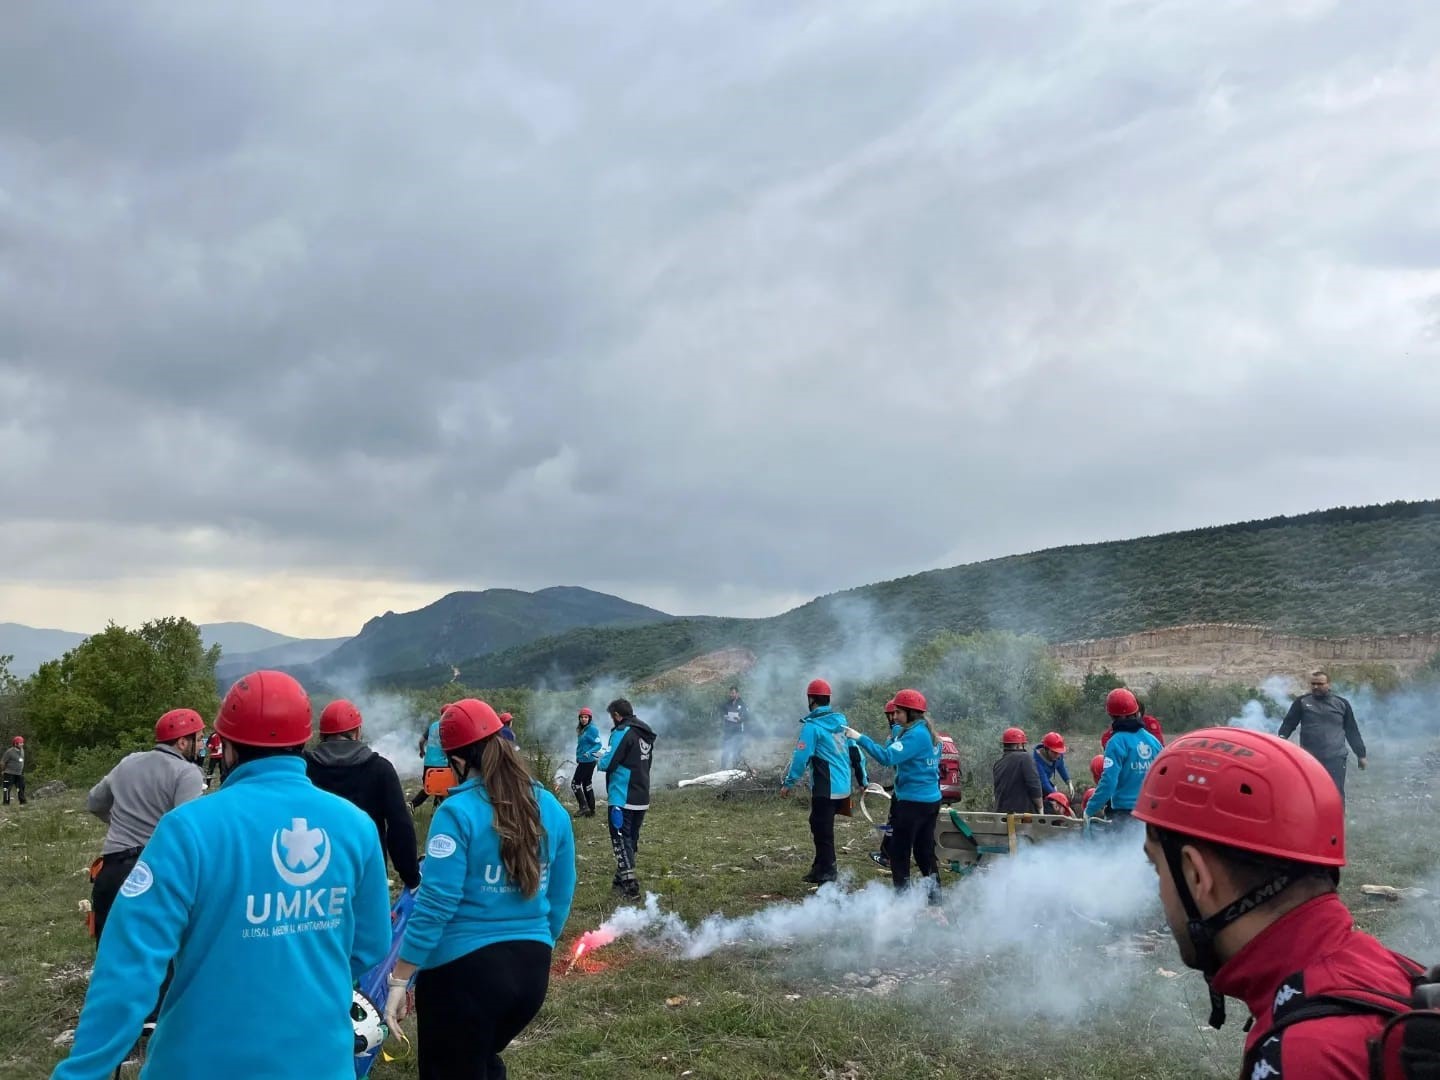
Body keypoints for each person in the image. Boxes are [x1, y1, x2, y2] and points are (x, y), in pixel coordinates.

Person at [52, 670, 392, 1079]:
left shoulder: (187, 829)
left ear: (226, 747)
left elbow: (128, 967)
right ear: (303, 741)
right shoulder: (354, 826)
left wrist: (82, 1071)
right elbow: (370, 945)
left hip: (199, 1063)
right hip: (319, 1061)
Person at [1135, 727, 1423, 1076]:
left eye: (1156, 867)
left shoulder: (1299, 1058)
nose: (1160, 890)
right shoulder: (1398, 973)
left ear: (1196, 875)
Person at [382, 698, 576, 1080]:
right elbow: (561, 893)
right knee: (482, 1059)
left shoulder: (456, 813)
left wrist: (400, 978)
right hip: (531, 974)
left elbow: (436, 904)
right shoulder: (550, 807)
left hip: (465, 979)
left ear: (457, 761)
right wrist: (538, 941)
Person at [86, 708, 205, 942]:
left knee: (110, 954)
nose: (202, 745)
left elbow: (94, 802)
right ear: (183, 742)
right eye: (199, 738)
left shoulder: (128, 762)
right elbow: (188, 828)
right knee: (159, 961)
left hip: (111, 871)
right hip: (153, 870)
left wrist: (118, 823)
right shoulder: (187, 773)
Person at [304, 699, 422, 892]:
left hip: (315, 875)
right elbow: (400, 827)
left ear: (322, 734)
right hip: (368, 875)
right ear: (357, 732)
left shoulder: (305, 768)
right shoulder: (380, 769)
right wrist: (411, 876)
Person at [845, 688, 941, 898]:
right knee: (924, 852)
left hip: (912, 803)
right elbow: (899, 749)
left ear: (910, 712)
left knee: (899, 852)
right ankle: (935, 900)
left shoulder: (916, 736)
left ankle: (903, 903)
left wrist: (860, 738)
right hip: (930, 800)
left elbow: (887, 757)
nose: (894, 716)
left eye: (898, 712)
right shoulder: (926, 732)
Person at [780, 678, 852, 885]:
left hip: (826, 786)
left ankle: (828, 877)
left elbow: (801, 756)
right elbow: (855, 750)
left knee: (823, 831)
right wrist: (862, 778)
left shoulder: (812, 726)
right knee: (818, 823)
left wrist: (789, 783)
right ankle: (818, 868)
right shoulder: (841, 722)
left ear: (811, 699)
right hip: (843, 786)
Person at [1278, 669, 1367, 804]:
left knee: (1335, 793)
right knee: (1309, 792)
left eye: (1320, 684)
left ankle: (1336, 823)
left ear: (1328, 684)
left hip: (1335, 757)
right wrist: (1280, 742)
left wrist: (1361, 754)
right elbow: (1289, 724)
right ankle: (1311, 822)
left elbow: (1351, 730)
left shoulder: (1341, 704)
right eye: (1313, 684)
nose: (1315, 687)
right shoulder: (1302, 702)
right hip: (1309, 757)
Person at [598, 698, 656, 899]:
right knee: (631, 839)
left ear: (616, 715)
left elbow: (609, 762)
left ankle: (631, 889)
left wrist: (600, 758)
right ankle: (619, 880)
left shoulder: (622, 731)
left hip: (622, 797)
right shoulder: (645, 733)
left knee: (620, 840)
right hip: (641, 794)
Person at [1086, 688, 1163, 825]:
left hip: (1124, 814)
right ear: (1136, 711)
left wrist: (1090, 809)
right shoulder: (1153, 742)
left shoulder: (1116, 742)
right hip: (1149, 813)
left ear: (1111, 715)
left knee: (1119, 846)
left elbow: (1108, 782)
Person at [869, 698, 900, 871]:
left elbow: (888, 756)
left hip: (905, 789)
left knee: (893, 821)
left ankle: (887, 855)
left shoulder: (897, 730)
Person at [992, 727, 1043, 814]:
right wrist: (1040, 808)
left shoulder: (998, 764)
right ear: (1018, 745)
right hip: (1022, 817)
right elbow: (1034, 786)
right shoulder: (1025, 758)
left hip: (1001, 815)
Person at [412, 710, 455, 809]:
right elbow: (447, 747)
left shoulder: (433, 726)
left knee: (429, 788)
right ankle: (436, 810)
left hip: (428, 763)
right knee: (441, 788)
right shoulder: (448, 727)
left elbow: (421, 741)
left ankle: (413, 805)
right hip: (442, 764)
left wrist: (422, 751)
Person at [571, 706, 601, 818]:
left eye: (586, 717)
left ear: (590, 718)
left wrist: (589, 752)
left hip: (588, 761)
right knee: (587, 784)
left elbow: (598, 744)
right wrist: (578, 756)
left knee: (575, 784)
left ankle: (583, 807)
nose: (584, 719)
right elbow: (581, 746)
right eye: (582, 717)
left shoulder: (592, 729)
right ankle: (591, 810)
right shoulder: (583, 729)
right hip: (583, 760)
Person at [1033, 732, 1073, 798]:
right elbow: (1044, 782)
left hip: (1045, 781)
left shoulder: (1058, 754)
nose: (1057, 755)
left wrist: (1068, 781)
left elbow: (1061, 766)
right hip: (1037, 784)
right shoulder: (1037, 761)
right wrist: (1057, 796)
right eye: (1054, 752)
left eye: (1059, 753)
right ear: (1046, 749)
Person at [719, 685, 750, 769]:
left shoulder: (742, 704)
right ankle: (722, 768)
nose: (731, 695)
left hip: (738, 730)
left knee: (737, 751)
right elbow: (721, 711)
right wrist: (724, 716)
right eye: (730, 693)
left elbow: (747, 716)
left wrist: (740, 718)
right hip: (728, 730)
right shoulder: (727, 703)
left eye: (733, 693)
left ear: (737, 694)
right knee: (726, 749)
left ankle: (735, 769)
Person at [2, 735, 25, 806]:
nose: (22, 744)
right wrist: (3, 770)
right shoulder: (9, 752)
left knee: (21, 787)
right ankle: (6, 803)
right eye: (20, 743)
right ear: (15, 744)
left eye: (22, 742)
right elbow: (2, 762)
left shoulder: (22, 750)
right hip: (9, 773)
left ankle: (22, 802)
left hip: (19, 773)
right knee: (7, 788)